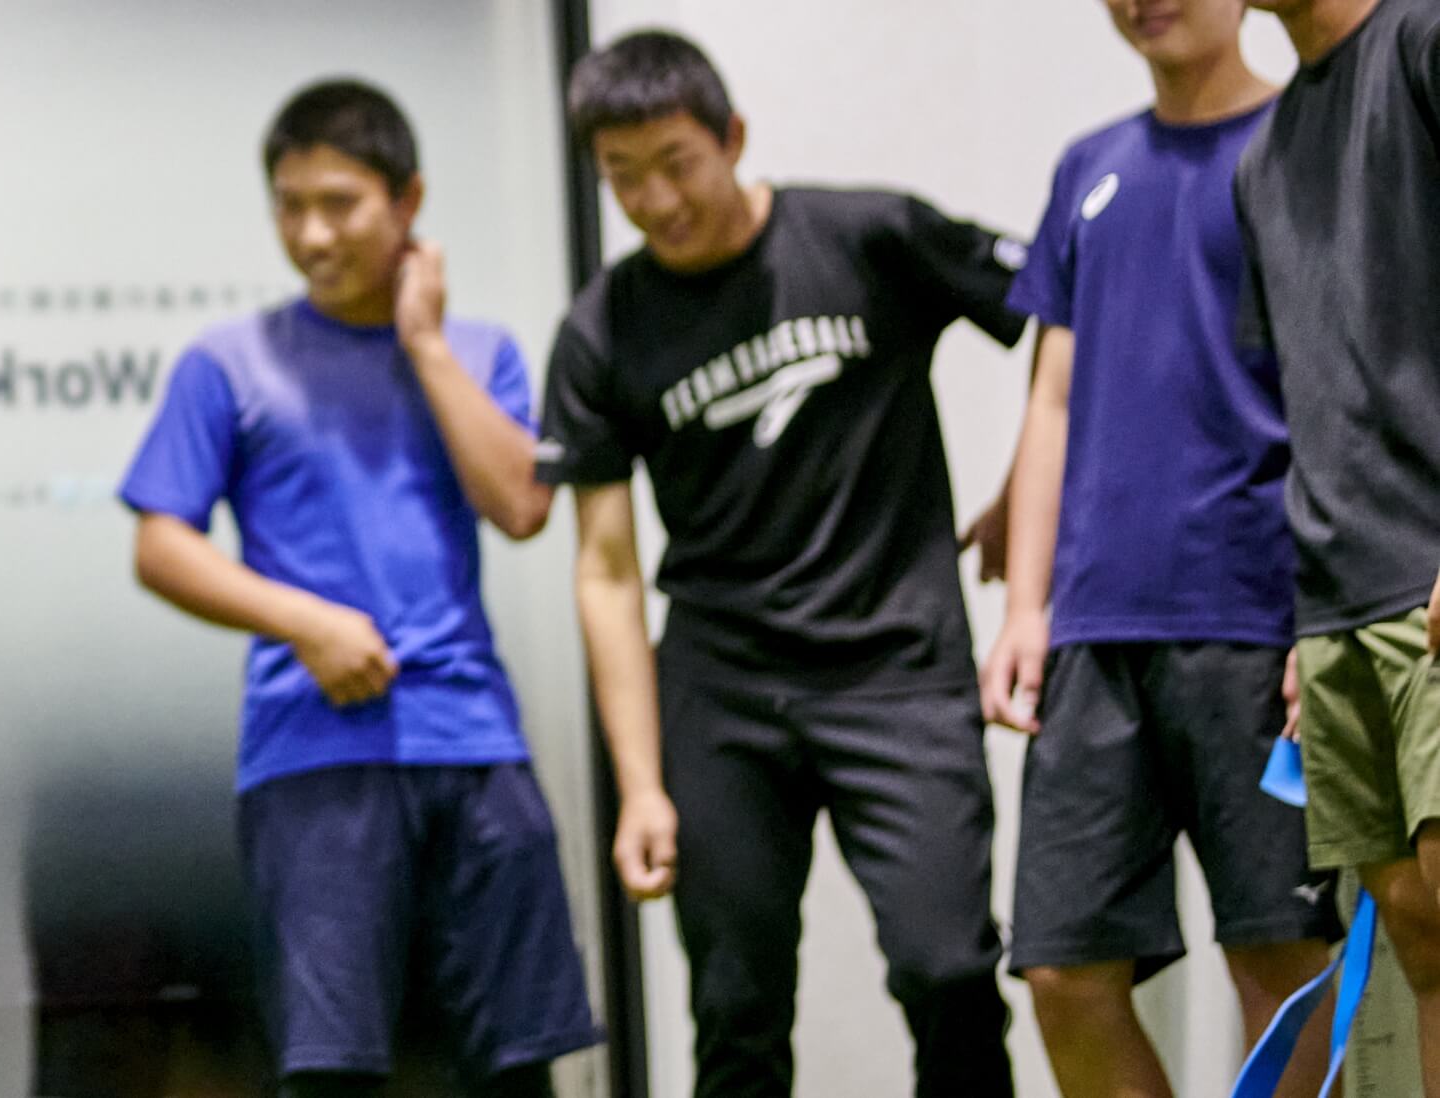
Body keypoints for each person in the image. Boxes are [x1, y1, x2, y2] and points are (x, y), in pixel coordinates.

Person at [541, 29, 1027, 1098]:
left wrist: (1029, 492)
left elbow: (1070, 312)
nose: (655, 200)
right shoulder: (600, 331)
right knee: (734, 1006)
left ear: (732, 137)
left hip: (897, 670)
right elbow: (605, 572)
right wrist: (639, 787)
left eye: (676, 163)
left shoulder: (868, 237)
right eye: (622, 176)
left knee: (947, 970)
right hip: (721, 694)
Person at [121, 77, 599, 1098]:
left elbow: (520, 505)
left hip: (476, 745)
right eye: (289, 207)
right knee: (330, 1073)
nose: (311, 234)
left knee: (516, 1069)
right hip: (313, 754)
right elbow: (161, 544)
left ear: (407, 200)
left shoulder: (479, 351)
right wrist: (303, 620)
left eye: (338, 204)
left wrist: (423, 342)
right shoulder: (229, 362)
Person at [979, 3, 1341, 1095]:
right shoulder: (1086, 166)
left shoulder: (1304, 142)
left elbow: (1345, 383)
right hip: (1095, 629)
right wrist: (1025, 607)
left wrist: (1324, 617)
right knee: (1061, 971)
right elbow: (1050, 400)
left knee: (1282, 964)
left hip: (1255, 615)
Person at [1237, 0, 1440, 1088]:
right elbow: (1315, 397)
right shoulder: (1260, 159)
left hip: (1430, 578)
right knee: (1420, 937)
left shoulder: (1422, 39)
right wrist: (1306, 621)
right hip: (1339, 606)